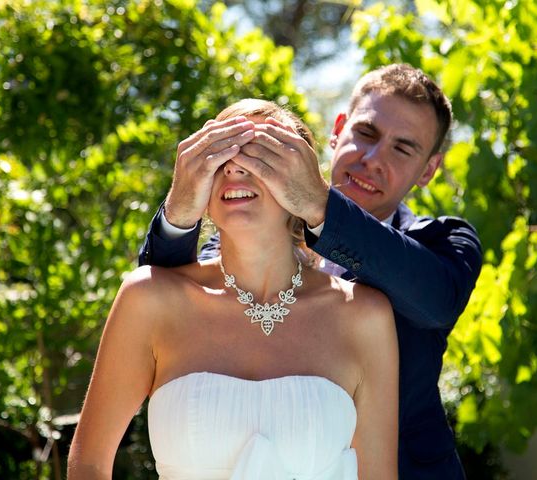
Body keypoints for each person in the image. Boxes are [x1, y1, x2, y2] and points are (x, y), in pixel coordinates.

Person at [139, 63, 483, 478]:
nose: (373, 159)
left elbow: (435, 301)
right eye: (366, 134)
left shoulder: (443, 245)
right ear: (339, 129)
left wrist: (320, 208)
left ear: (428, 170)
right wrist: (179, 212)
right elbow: (160, 310)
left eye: (403, 148)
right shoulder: (251, 232)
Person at [68, 99, 399, 479]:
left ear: (301, 184)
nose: (235, 166)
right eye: (219, 152)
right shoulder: (149, 298)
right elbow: (90, 462)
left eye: (260, 153)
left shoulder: (364, 315)